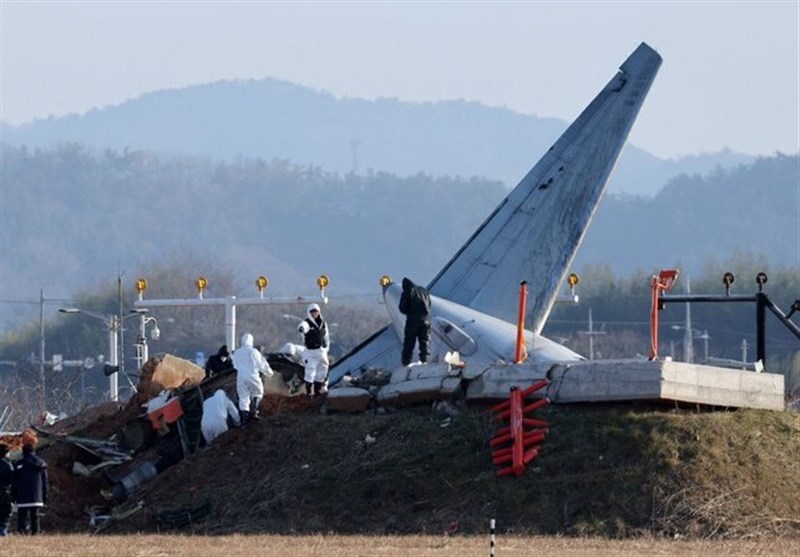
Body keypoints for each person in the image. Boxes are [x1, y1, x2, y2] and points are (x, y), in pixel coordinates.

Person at [232, 333, 273, 424]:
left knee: (243, 398)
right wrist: (269, 372)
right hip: (252, 376)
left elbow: (234, 365)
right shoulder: (253, 351)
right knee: (258, 392)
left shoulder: (237, 353)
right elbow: (261, 364)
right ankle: (254, 411)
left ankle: (244, 420)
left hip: (241, 378)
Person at [11, 443, 48, 535]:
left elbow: (14, 482)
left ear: (23, 452)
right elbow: (45, 481)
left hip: (22, 495)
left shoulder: (19, 464)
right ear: (34, 451)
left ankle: (21, 532)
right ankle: (36, 532)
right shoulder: (41, 464)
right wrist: (44, 495)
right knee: (35, 516)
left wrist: (14, 496)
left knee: (22, 516)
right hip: (37, 494)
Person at [297, 303, 330, 398]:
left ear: (319, 312)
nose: (314, 314)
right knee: (310, 372)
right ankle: (308, 392)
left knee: (322, 371)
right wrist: (302, 329)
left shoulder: (323, 323)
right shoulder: (307, 323)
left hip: (322, 351)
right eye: (312, 312)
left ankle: (317, 391)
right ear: (309, 313)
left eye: (316, 312)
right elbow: (302, 327)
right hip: (311, 351)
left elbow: (326, 336)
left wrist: (327, 347)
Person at [398, 277, 431, 366]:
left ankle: (406, 362)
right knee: (425, 340)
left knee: (409, 341)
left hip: (413, 320)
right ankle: (425, 360)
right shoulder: (423, 290)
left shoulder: (408, 291)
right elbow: (429, 304)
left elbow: (402, 308)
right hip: (426, 320)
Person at [0, 444, 13, 536]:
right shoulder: (7, 464)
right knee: (5, 514)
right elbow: (12, 479)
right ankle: (3, 532)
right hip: (3, 492)